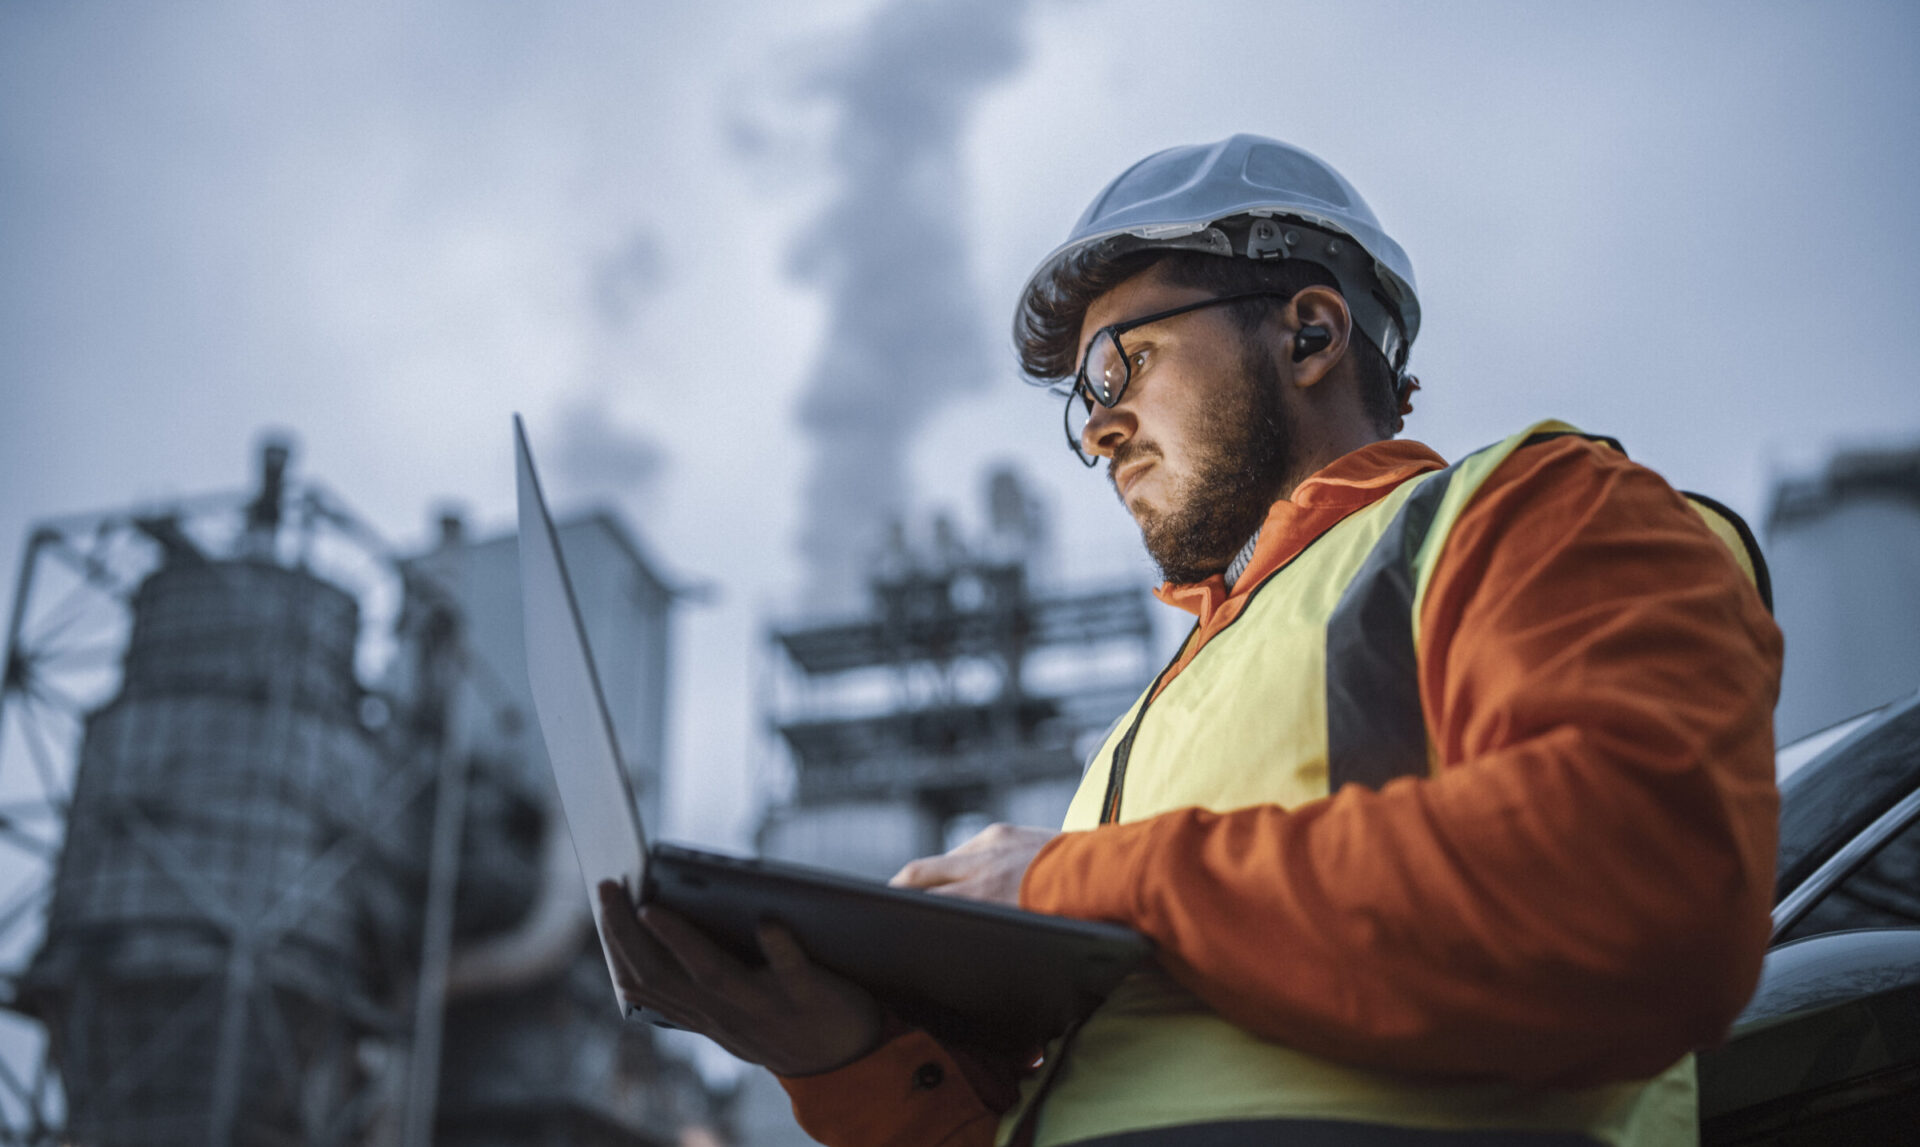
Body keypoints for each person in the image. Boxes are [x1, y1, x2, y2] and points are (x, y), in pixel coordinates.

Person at [594, 134, 1782, 1146]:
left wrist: (1074, 880)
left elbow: (1634, 890)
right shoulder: (1140, 736)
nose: (1100, 427)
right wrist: (841, 1056)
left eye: (1124, 361)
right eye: (1080, 399)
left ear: (1309, 333)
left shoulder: (1529, 511)